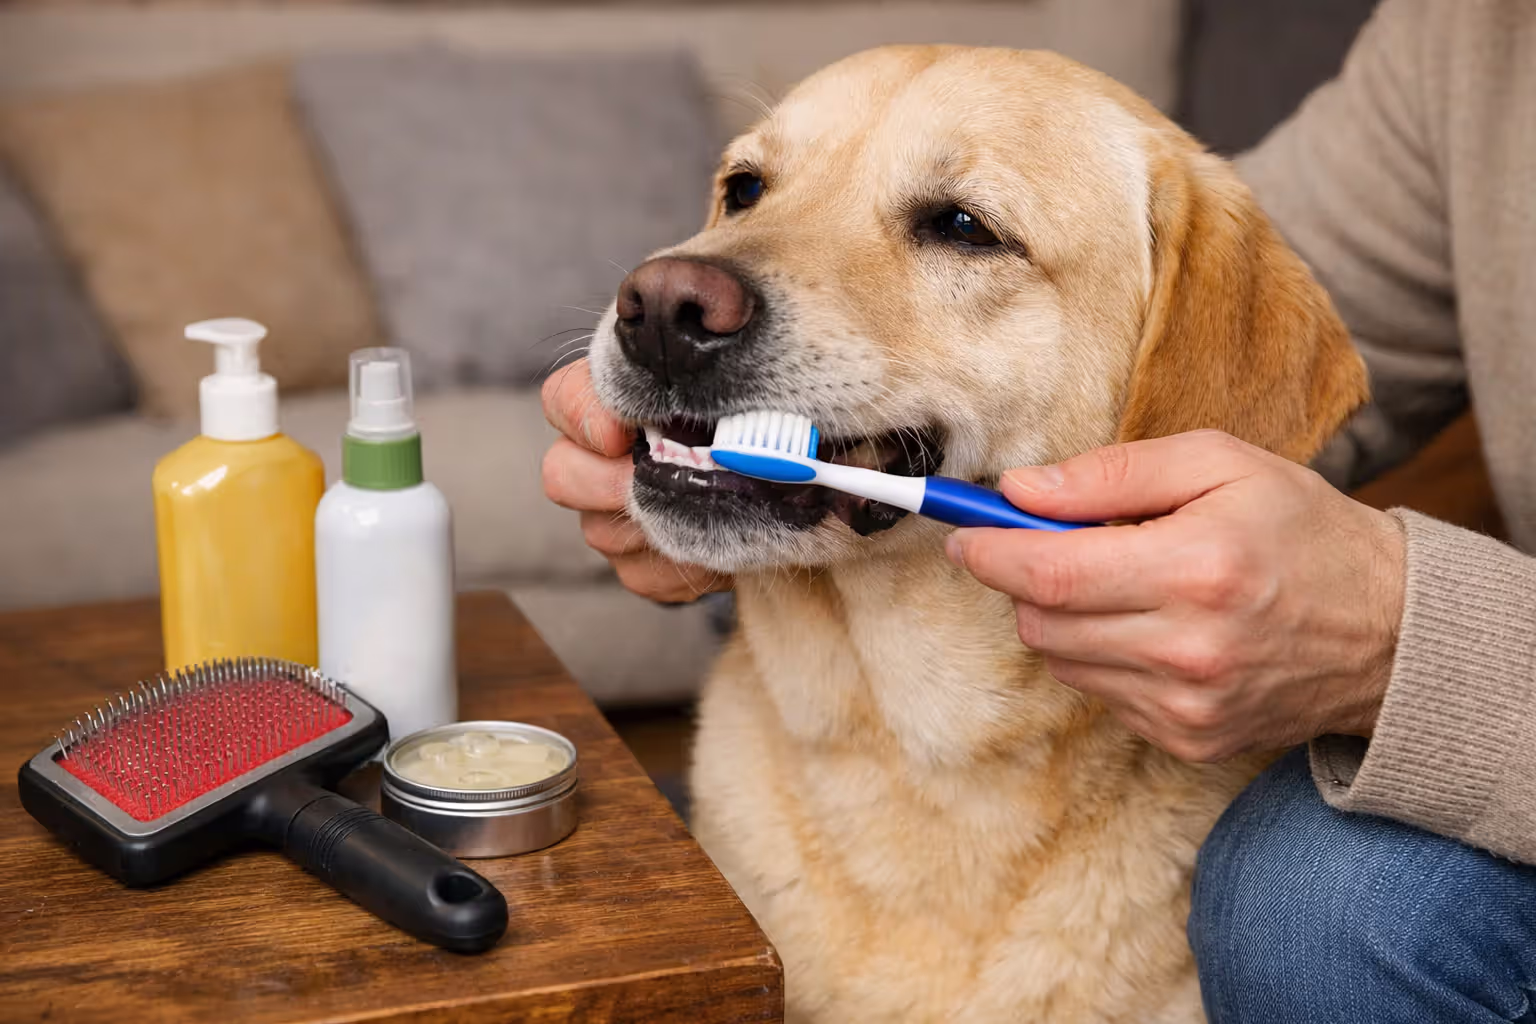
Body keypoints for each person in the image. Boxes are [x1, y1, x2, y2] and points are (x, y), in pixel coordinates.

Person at [542, 1, 1536, 1018]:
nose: (706, 280)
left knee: (1331, 901)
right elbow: (1263, 288)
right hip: (793, 769)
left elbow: (1226, 347)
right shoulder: (1468, 29)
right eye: (750, 186)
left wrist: (1398, 631)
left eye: (958, 225)